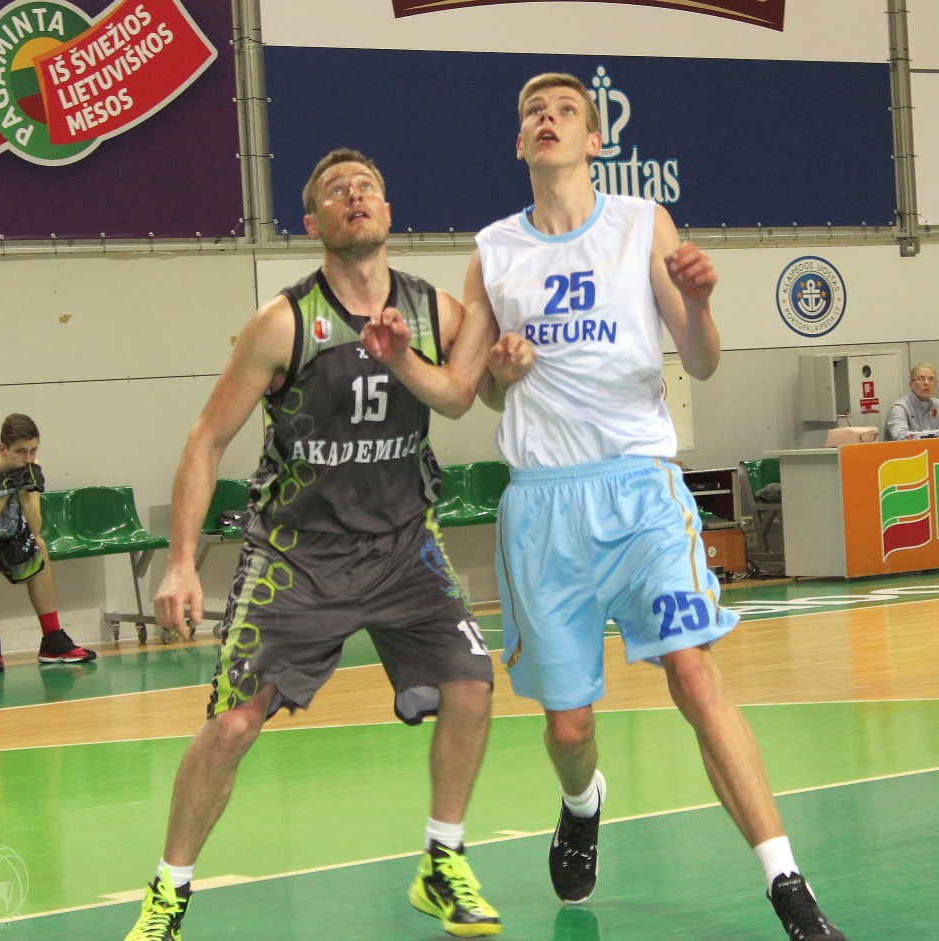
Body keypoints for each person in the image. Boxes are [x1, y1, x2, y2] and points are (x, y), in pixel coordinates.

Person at [360, 74, 849, 940]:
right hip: (545, 509)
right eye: (533, 114)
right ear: (519, 143)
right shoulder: (495, 250)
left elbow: (700, 359)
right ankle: (582, 801)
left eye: (565, 112)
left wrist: (700, 302)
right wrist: (412, 360)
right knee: (569, 726)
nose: (547, 120)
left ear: (595, 139)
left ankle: (787, 883)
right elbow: (464, 393)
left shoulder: (641, 223)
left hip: (640, 489)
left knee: (695, 674)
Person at [123, 148, 501, 941]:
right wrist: (182, 561)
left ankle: (442, 859)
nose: (354, 195)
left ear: (388, 211)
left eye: (368, 186)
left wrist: (512, 365)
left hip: (403, 547)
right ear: (311, 222)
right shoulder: (284, 322)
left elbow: (485, 387)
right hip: (297, 556)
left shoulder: (435, 312)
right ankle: (168, 893)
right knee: (232, 725)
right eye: (336, 190)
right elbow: (205, 439)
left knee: (472, 684)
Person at [0, 413, 96, 673]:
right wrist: (4, 490)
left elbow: (35, 526)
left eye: (33, 450)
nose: (28, 458)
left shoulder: (30, 467)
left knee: (39, 545)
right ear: (3, 449)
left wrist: (23, 492)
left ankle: (52, 640)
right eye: (21, 452)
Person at [883, 362, 939, 440]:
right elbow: (900, 436)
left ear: (935, 385)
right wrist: (933, 435)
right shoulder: (899, 408)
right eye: (921, 379)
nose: (926, 383)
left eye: (931, 379)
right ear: (911, 384)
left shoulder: (937, 405)